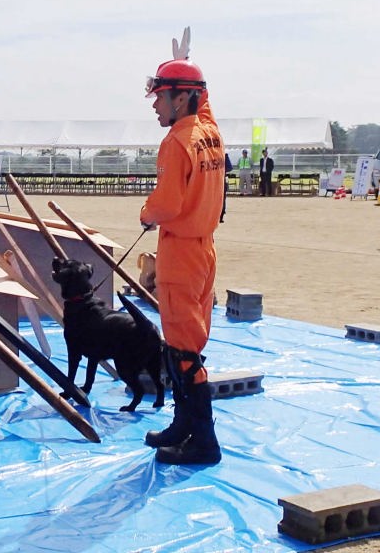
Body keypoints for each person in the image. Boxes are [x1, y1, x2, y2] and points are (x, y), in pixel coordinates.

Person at [139, 55, 224, 465]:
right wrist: (187, 71)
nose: (155, 105)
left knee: (183, 350)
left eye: (160, 97)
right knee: (188, 342)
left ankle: (203, 441)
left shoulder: (176, 142)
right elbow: (204, 106)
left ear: (181, 98)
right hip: (203, 249)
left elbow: (167, 203)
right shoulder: (209, 132)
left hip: (180, 252)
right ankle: (184, 425)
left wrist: (146, 213)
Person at [220, 153, 232, 223]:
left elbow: (229, 167)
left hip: (222, 179)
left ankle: (221, 215)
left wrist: (222, 170)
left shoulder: (224, 155)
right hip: (212, 180)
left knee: (222, 198)